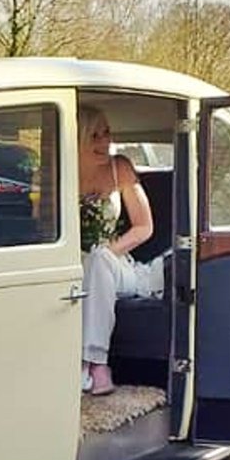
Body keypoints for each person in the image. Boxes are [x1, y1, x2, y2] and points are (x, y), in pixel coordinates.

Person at [79, 110, 163, 396]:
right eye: (94, 135)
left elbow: (144, 227)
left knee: (99, 260)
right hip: (72, 267)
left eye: (106, 133)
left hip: (116, 262)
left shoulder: (120, 168)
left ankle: (96, 364)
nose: (104, 141)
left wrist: (107, 251)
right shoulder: (57, 171)